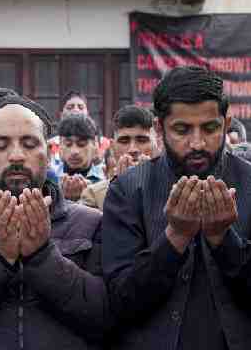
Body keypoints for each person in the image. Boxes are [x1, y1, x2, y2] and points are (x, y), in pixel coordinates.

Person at [0, 95, 107, 350]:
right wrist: (0, 257)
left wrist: (42, 255)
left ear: (48, 153)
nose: (15, 156)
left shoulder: (90, 223)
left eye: (29, 144)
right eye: (1, 145)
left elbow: (104, 317)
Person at [103, 66, 251, 350]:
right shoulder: (129, 190)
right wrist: (175, 238)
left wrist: (223, 239)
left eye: (210, 128)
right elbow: (121, 301)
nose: (197, 143)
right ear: (160, 128)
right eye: (182, 130)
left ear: (226, 122)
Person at [80, 105, 159, 211]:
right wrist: (120, 190)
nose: (133, 149)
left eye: (142, 140)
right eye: (124, 141)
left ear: (157, 143)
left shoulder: (173, 189)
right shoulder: (93, 195)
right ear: (112, 147)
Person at [51, 113, 107, 201]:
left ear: (95, 146)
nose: (74, 151)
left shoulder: (105, 179)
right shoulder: (49, 179)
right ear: (60, 146)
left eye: (81, 144)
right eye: (68, 144)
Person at [47, 90, 111, 162]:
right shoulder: (50, 145)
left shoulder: (104, 144)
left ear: (87, 113)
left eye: (80, 107)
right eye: (70, 107)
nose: (76, 110)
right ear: (61, 115)